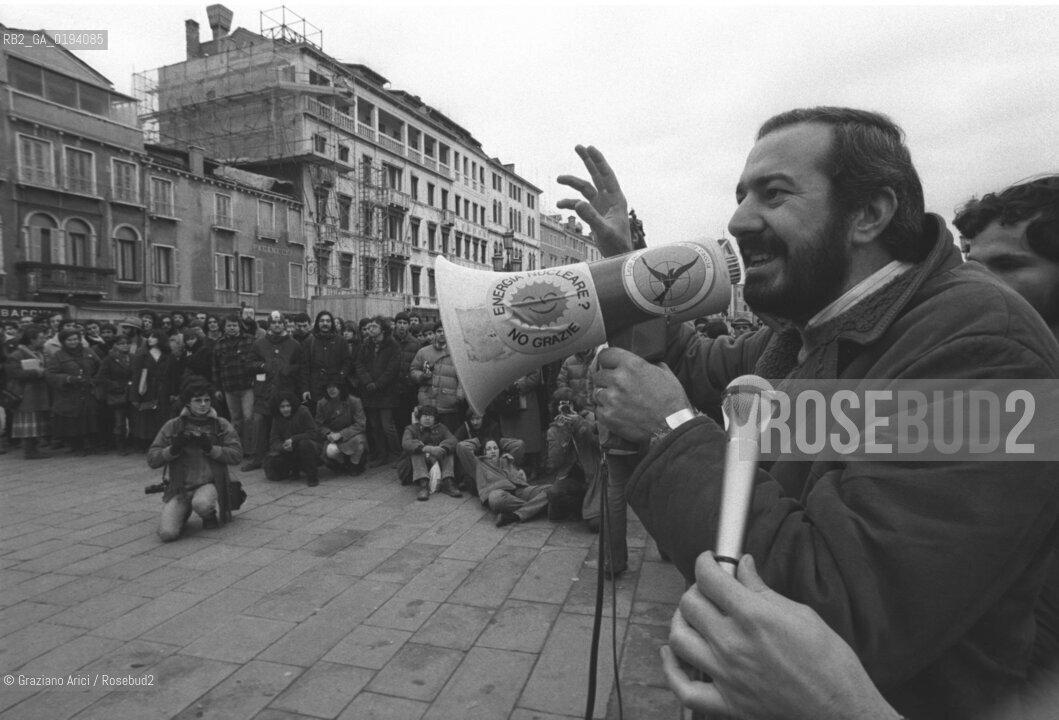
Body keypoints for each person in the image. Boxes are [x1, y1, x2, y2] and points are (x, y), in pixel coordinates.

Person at [557, 110, 1059, 719]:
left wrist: (669, 430)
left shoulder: (987, 351)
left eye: (774, 194)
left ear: (869, 214)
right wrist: (631, 272)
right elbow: (696, 365)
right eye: (741, 195)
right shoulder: (816, 329)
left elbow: (835, 606)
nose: (739, 220)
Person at [147, 380, 242, 542]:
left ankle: (209, 514)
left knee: (202, 503)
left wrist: (210, 449)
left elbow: (236, 455)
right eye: (198, 401)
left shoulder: (220, 425)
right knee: (167, 534)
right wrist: (173, 449)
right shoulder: (174, 425)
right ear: (188, 403)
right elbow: (152, 459)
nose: (203, 404)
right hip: (180, 487)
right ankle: (183, 512)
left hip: (208, 484)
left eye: (207, 400)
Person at [244, 310, 307, 471]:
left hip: (285, 391)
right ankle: (257, 458)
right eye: (273, 323)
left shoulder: (294, 345)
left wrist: (290, 369)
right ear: (269, 324)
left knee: (282, 425)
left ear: (284, 324)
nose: (277, 325)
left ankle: (280, 456)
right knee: (259, 423)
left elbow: (302, 367)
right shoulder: (259, 344)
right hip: (264, 391)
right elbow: (249, 364)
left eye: (279, 323)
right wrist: (262, 366)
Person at [355, 315, 401, 467]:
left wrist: (378, 383)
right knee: (374, 425)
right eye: (369, 327)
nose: (370, 329)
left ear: (383, 329)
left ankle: (396, 453)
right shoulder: (366, 344)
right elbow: (360, 364)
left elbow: (392, 369)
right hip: (369, 391)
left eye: (374, 326)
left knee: (387, 425)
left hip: (386, 392)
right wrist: (368, 381)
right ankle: (381, 454)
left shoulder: (393, 345)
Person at [45, 328, 100, 455]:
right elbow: (50, 375)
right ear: (63, 341)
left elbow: (100, 367)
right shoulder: (58, 356)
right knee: (73, 420)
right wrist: (68, 379)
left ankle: (92, 445)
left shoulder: (88, 352)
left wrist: (95, 380)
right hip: (69, 394)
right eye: (69, 340)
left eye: (75, 339)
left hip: (88, 391)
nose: (73, 342)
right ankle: (77, 446)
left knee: (90, 417)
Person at [474, 440, 551, 528]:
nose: (492, 451)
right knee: (495, 499)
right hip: (499, 494)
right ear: (484, 452)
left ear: (499, 451)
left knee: (550, 489)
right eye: (489, 449)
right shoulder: (480, 463)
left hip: (518, 491)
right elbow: (463, 447)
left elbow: (518, 444)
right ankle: (537, 506)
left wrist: (517, 470)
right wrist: (478, 439)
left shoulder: (505, 460)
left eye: (495, 448)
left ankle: (514, 515)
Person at [4, 325, 51, 459]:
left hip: (38, 392)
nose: (44, 340)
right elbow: (13, 372)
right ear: (31, 340)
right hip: (25, 393)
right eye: (41, 338)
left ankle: (35, 448)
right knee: (28, 422)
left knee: (37, 421)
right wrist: (36, 372)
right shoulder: (17, 354)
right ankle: (30, 451)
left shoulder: (40, 352)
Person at [129, 329, 179, 452]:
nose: (150, 339)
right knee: (146, 418)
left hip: (164, 391)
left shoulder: (169, 356)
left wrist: (174, 392)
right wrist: (134, 396)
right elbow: (136, 377)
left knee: (162, 416)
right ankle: (146, 443)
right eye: (149, 337)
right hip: (147, 389)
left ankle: (162, 442)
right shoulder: (142, 355)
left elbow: (174, 376)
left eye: (153, 337)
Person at [409, 323, 464, 432]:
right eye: (439, 331)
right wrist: (421, 376)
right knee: (427, 435)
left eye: (445, 331)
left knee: (447, 435)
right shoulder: (423, 352)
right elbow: (413, 369)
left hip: (448, 402)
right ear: (434, 334)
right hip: (427, 401)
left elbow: (463, 377)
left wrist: (459, 395)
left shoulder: (458, 352)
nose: (442, 334)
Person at [454, 408, 525, 492]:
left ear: (483, 417)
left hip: (496, 460)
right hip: (480, 465)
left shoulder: (493, 425)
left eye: (477, 418)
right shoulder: (466, 427)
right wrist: (479, 442)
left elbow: (496, 444)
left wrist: (506, 458)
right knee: (461, 447)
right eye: (472, 419)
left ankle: (509, 473)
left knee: (519, 444)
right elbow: (458, 443)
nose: (475, 422)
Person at [400, 404, 460, 501]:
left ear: (435, 419)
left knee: (448, 449)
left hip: (437, 461)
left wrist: (442, 448)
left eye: (431, 416)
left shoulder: (441, 428)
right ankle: (423, 485)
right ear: (419, 418)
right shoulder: (411, 429)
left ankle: (448, 481)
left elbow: (453, 440)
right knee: (416, 450)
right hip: (414, 466)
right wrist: (428, 449)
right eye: (424, 416)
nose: (427, 419)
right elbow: (406, 443)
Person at [264, 391, 322, 486]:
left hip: (310, 446)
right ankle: (295, 470)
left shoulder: (303, 411)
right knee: (272, 464)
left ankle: (312, 476)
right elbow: (274, 441)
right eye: (282, 407)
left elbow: (314, 433)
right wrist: (282, 447)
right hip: (290, 449)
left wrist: (293, 439)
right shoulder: (277, 417)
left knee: (304, 444)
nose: (286, 409)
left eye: (288, 406)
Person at [315, 380, 367, 476]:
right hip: (333, 437)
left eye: (335, 386)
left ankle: (354, 464)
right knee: (331, 451)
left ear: (341, 388)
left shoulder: (354, 401)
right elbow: (319, 424)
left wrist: (341, 434)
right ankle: (342, 464)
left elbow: (361, 424)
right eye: (328, 387)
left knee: (360, 443)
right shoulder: (321, 404)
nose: (331, 389)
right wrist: (328, 433)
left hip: (352, 434)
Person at [302, 310, 351, 405]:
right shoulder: (309, 342)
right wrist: (305, 389)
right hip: (315, 388)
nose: (325, 323)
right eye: (322, 321)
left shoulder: (341, 341)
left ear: (332, 323)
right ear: (317, 323)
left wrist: (340, 376)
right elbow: (304, 368)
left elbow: (347, 362)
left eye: (328, 321)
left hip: (335, 388)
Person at [95, 333, 134, 455]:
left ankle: (133, 442)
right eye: (121, 343)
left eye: (127, 343)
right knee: (119, 422)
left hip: (132, 393)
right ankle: (120, 446)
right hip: (117, 395)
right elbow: (101, 378)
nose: (125, 346)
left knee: (134, 420)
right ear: (115, 345)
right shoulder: (108, 359)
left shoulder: (134, 357)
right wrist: (116, 386)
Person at [392, 311, 421, 435]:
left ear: (409, 326)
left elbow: (422, 363)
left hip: (409, 389)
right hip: (392, 388)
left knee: (407, 420)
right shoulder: (389, 341)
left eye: (405, 323)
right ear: (395, 324)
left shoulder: (415, 343)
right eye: (399, 322)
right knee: (393, 421)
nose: (402, 325)